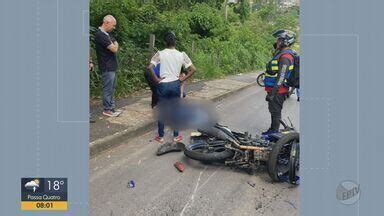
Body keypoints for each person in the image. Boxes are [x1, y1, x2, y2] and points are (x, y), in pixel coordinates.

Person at [147, 32, 196, 143]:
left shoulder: (160, 54)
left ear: (166, 42)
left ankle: (160, 136)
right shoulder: (181, 54)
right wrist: (182, 79)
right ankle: (176, 136)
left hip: (163, 85)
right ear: (175, 42)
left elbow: (149, 67)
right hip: (175, 84)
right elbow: (193, 69)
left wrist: (156, 79)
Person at [263, 29, 296, 135]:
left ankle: (274, 134)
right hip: (275, 89)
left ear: (286, 41)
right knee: (273, 111)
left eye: (279, 40)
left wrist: (273, 93)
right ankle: (272, 129)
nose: (277, 42)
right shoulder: (281, 53)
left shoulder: (286, 57)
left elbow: (281, 76)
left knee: (276, 112)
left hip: (278, 91)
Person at [94, 15, 122, 117]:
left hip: (112, 66)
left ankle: (112, 108)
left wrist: (115, 45)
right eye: (113, 25)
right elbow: (114, 49)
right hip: (106, 66)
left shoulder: (107, 34)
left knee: (112, 88)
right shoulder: (100, 35)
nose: (114, 27)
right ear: (106, 23)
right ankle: (107, 109)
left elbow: (116, 43)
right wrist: (115, 45)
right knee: (108, 89)